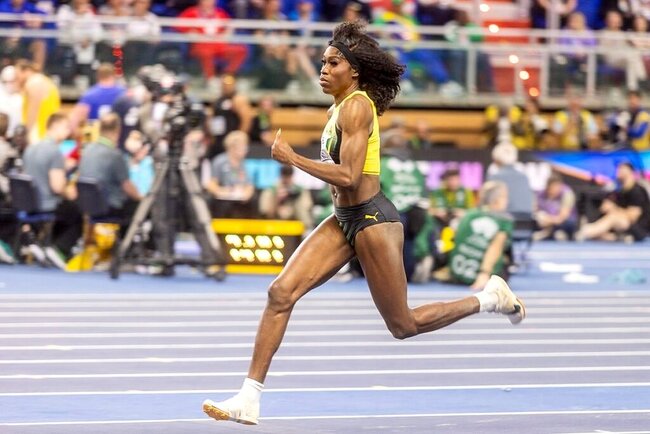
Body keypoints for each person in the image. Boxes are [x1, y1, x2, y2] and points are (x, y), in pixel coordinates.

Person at [201, 21, 526, 426]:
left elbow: (350, 177)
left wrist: (293, 159)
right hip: (344, 218)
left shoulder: (356, 107)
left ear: (353, 71)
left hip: (372, 219)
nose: (323, 69)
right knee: (280, 292)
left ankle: (490, 298)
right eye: (322, 62)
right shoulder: (337, 108)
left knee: (403, 325)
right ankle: (249, 397)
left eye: (333, 63)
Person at [22, 113, 82, 268]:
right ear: (54, 127)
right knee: (78, 211)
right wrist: (70, 192)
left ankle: (45, 245)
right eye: (66, 127)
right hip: (47, 205)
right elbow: (57, 187)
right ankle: (58, 249)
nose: (68, 131)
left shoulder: (31, 149)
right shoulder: (55, 152)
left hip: (29, 204)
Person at [447, 181, 513, 290]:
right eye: (505, 197)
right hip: (479, 277)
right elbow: (495, 247)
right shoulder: (504, 221)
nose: (507, 201)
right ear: (497, 200)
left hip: (455, 272)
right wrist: (484, 273)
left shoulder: (469, 214)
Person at [78, 113, 142, 218]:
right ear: (118, 130)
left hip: (88, 206)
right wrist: (141, 198)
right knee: (142, 209)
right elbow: (127, 186)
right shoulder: (115, 155)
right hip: (110, 208)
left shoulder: (86, 150)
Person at [576, 161, 650, 241]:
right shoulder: (620, 190)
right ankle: (619, 237)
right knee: (601, 233)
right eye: (618, 169)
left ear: (630, 172)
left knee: (613, 217)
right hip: (623, 227)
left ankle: (586, 231)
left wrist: (613, 208)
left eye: (621, 169)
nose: (618, 172)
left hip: (639, 229)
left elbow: (633, 217)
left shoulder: (637, 191)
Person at [205, 130, 256, 218]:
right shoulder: (219, 161)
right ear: (232, 147)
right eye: (242, 147)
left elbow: (249, 185)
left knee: (253, 200)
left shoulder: (244, 164)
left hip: (240, 197)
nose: (245, 150)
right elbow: (211, 184)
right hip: (224, 198)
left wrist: (247, 193)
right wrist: (221, 191)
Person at [69, 63, 126, 135]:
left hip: (94, 136)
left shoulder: (89, 95)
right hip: (116, 136)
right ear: (114, 75)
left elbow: (74, 119)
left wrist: (78, 135)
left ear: (98, 76)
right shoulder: (123, 93)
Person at [14, 59, 61, 142]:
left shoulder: (34, 82)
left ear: (26, 70)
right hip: (48, 134)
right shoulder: (43, 80)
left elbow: (32, 115)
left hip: (39, 136)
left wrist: (28, 137)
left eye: (17, 76)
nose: (17, 80)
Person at [258, 164, 313, 229]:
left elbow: (307, 207)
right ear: (281, 175)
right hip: (274, 223)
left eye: (289, 175)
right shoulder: (271, 190)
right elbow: (265, 213)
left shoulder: (300, 190)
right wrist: (277, 200)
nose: (286, 179)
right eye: (284, 175)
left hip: (296, 221)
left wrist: (291, 209)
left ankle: (308, 230)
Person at [534, 172, 578, 241]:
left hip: (564, 222)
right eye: (551, 188)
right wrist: (539, 216)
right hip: (545, 221)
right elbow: (534, 209)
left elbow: (562, 218)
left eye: (556, 187)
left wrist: (548, 220)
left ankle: (554, 233)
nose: (554, 190)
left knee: (568, 223)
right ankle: (549, 233)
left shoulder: (567, 194)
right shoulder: (541, 194)